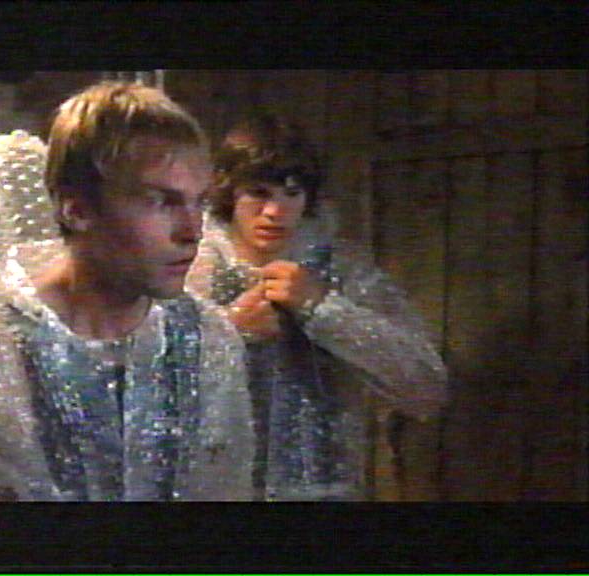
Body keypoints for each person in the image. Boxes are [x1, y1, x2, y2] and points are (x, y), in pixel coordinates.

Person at [0, 82, 255, 501]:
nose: (193, 231)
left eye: (198, 202)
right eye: (161, 201)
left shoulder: (207, 342)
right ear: (76, 209)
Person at [185, 112, 448, 500]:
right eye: (258, 193)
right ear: (229, 193)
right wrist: (228, 331)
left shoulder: (342, 270)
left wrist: (322, 308)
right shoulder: (188, 268)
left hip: (323, 489)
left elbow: (425, 386)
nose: (275, 211)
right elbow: (140, 383)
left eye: (291, 194)